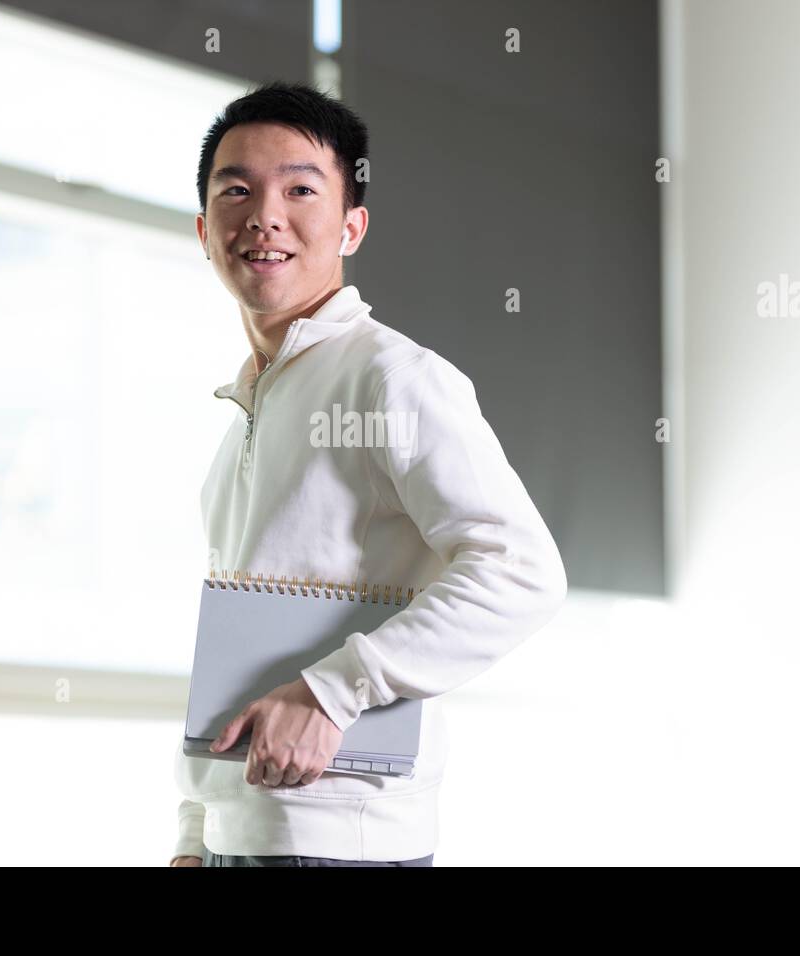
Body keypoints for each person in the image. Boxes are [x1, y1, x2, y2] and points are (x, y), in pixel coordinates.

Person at [169, 81, 567, 867]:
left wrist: (333, 689)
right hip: (234, 837)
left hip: (340, 844)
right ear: (203, 229)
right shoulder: (245, 411)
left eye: (300, 189)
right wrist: (194, 829)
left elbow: (522, 571)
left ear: (352, 226)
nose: (264, 215)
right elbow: (232, 646)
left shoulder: (395, 378)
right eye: (236, 190)